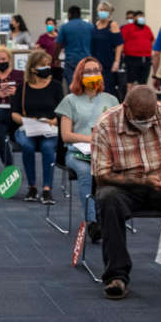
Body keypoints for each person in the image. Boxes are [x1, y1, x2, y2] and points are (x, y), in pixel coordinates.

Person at [91, 85, 161, 300]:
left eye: (150, 116)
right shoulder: (106, 124)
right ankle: (117, 276)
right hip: (123, 186)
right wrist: (142, 181)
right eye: (140, 117)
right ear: (126, 108)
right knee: (107, 199)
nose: (146, 122)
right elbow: (101, 175)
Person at [56, 58, 120, 242]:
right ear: (79, 75)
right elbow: (66, 136)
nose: (93, 74)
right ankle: (92, 222)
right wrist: (90, 139)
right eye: (88, 71)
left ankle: (111, 216)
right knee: (86, 171)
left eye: (96, 70)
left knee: (116, 171)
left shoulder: (111, 99)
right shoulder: (70, 100)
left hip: (105, 152)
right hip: (76, 152)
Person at [8, 50, 65, 204]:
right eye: (43, 66)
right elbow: (14, 113)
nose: (47, 68)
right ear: (33, 69)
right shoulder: (23, 87)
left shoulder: (56, 86)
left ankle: (47, 189)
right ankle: (32, 187)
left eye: (48, 65)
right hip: (28, 128)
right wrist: (26, 120)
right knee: (27, 146)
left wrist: (53, 121)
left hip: (49, 128)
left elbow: (63, 113)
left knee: (47, 148)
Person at [54, 5, 94, 83]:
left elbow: (58, 44)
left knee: (72, 86)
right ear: (80, 14)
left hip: (71, 61)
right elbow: (94, 43)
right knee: (86, 85)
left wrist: (56, 58)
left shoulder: (65, 27)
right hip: (87, 61)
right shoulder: (90, 26)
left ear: (69, 14)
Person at [91, 2, 124, 96]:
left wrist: (117, 62)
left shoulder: (112, 25)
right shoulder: (95, 25)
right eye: (101, 10)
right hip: (96, 62)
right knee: (96, 89)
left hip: (108, 64)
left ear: (109, 13)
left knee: (107, 90)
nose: (102, 12)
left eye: (105, 10)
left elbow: (119, 44)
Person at [120, 11, 154, 89]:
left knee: (143, 81)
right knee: (130, 80)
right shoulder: (128, 27)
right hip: (132, 58)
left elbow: (152, 40)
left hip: (146, 58)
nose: (141, 18)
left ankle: (141, 98)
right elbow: (121, 42)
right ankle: (129, 99)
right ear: (135, 18)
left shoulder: (147, 28)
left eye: (143, 16)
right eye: (139, 16)